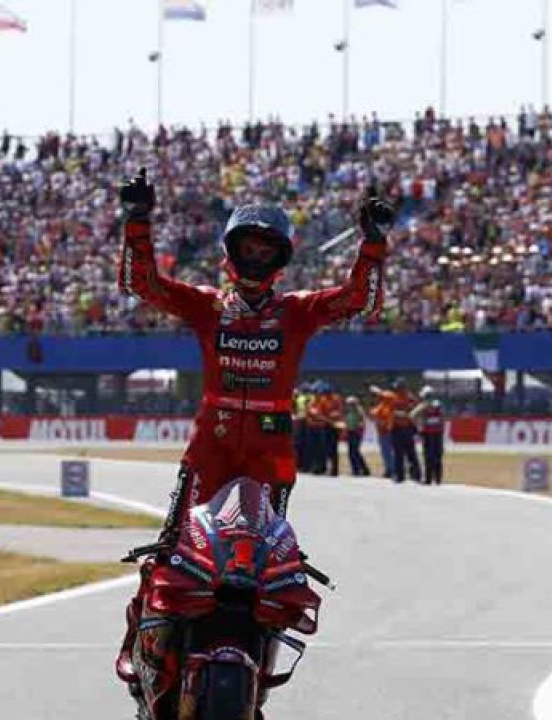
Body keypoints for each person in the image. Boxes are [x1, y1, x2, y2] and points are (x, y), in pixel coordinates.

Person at [114, 168, 394, 708]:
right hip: (209, 454)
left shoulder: (297, 312)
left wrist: (373, 243)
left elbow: (359, 299)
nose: (258, 256)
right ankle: (142, 650)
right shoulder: (207, 306)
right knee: (173, 553)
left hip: (269, 461)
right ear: (231, 249)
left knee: (263, 567)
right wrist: (138, 222)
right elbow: (142, 285)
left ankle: (254, 668)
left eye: (268, 248)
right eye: (250, 245)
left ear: (282, 257)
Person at [371, 378, 421, 483]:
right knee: (398, 453)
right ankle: (399, 475)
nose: (398, 389)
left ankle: (416, 474)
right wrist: (376, 390)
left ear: (404, 387)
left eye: (399, 387)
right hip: (396, 428)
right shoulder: (392, 397)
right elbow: (381, 394)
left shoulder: (410, 398)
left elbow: (414, 410)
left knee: (411, 453)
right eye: (397, 387)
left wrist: (407, 414)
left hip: (407, 428)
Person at [412, 385, 446, 485]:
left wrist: (419, 426)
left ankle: (428, 479)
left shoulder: (423, 406)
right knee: (438, 456)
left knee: (428, 456)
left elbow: (412, 415)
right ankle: (438, 479)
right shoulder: (439, 404)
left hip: (427, 433)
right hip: (438, 433)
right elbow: (443, 418)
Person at [369, 388, 395, 478]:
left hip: (387, 432)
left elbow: (376, 415)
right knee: (386, 452)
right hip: (382, 432)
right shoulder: (382, 406)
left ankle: (391, 470)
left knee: (388, 452)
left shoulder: (388, 407)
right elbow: (372, 414)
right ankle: (389, 469)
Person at [343, 395, 372, 476]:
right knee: (351, 452)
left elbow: (362, 422)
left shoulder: (359, 410)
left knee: (355, 451)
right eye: (348, 404)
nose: (349, 405)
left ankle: (361, 469)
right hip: (350, 432)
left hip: (356, 433)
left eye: (351, 404)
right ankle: (357, 469)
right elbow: (347, 422)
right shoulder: (348, 412)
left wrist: (359, 429)